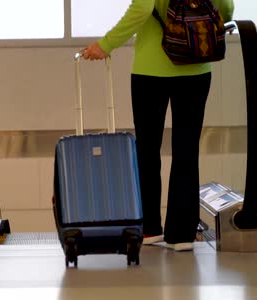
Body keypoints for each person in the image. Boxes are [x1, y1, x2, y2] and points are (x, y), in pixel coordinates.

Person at [82, 0, 235, 251]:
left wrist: (106, 44)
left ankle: (150, 228)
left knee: (147, 149)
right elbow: (226, 8)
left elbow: (142, 9)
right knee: (187, 151)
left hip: (150, 70)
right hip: (196, 66)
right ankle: (182, 234)